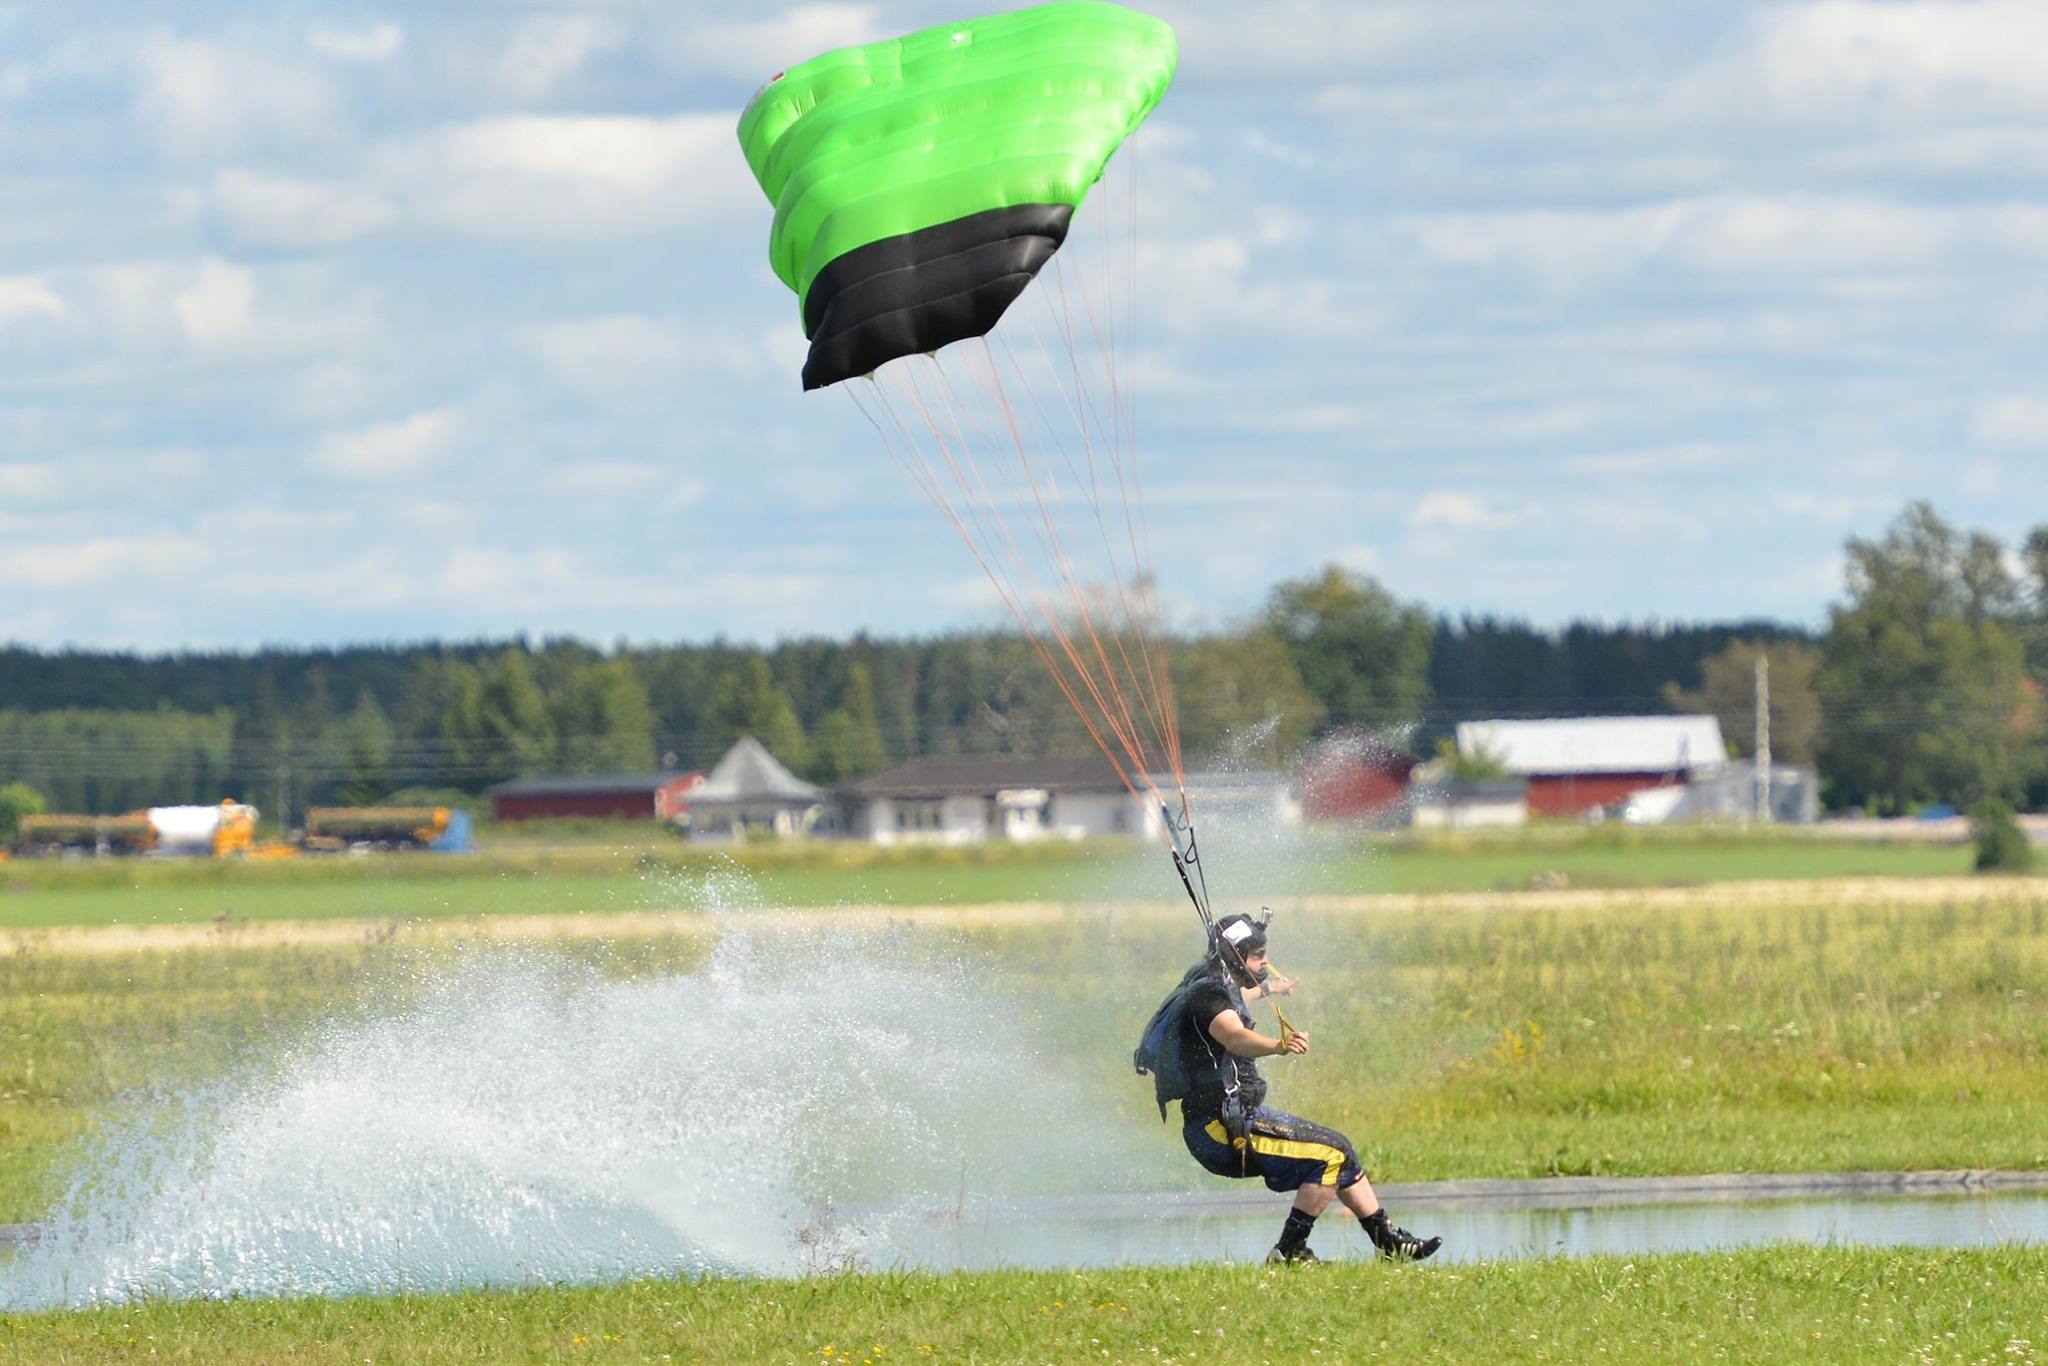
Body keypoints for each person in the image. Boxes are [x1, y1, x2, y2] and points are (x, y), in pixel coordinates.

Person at [1174, 912, 1441, 1265]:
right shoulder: (1207, 996)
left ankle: (1388, 1240)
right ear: (1235, 957)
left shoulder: (1214, 983)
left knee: (1340, 1148)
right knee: (1329, 1157)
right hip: (1219, 1130)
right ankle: (1289, 1253)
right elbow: (1235, 1036)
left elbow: (1238, 997)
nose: (1265, 960)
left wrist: (1270, 988)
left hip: (1236, 1118)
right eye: (1257, 955)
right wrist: (1279, 1044)